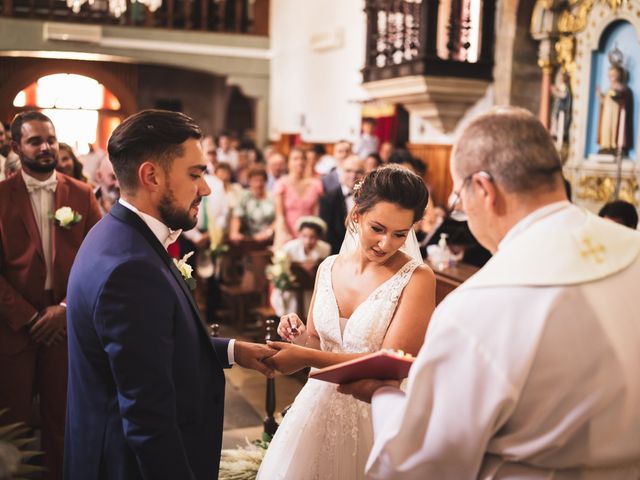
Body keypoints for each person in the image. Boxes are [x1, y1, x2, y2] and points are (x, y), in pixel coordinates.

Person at [339, 107, 640, 479]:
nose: (463, 209)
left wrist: (383, 394)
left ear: (483, 188)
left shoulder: (480, 304)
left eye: (460, 197)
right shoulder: (633, 247)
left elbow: (416, 465)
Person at [64, 110, 276, 480]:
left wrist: (234, 351)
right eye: (195, 174)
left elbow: (152, 344)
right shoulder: (129, 269)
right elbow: (148, 418)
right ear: (151, 176)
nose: (206, 189)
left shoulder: (117, 234)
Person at [257, 165, 436, 480]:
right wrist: (296, 336)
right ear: (357, 214)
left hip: (374, 416)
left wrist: (306, 356)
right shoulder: (328, 267)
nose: (387, 243)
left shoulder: (417, 278)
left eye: (400, 234)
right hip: (315, 408)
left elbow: (389, 365)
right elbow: (315, 340)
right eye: (378, 228)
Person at [0, 111, 102, 480]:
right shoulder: (0, 195)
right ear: (16, 146)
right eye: (35, 141)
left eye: (50, 140)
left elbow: (99, 258)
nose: (46, 147)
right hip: (14, 327)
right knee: (10, 425)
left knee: (63, 420)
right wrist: (28, 316)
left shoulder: (81, 193)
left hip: (65, 326)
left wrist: (65, 308)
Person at [269, 216, 331, 317]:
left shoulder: (324, 248)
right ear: (299, 235)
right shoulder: (289, 248)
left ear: (319, 237)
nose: (308, 241)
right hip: (292, 290)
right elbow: (282, 270)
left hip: (312, 290)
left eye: (312, 237)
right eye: (304, 236)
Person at [273, 147, 323, 246]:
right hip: (286, 234)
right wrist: (286, 235)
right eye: (295, 159)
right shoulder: (281, 184)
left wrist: (310, 236)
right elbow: (280, 215)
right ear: (288, 162)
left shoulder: (316, 184)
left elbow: (316, 215)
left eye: (303, 158)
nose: (300, 162)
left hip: (309, 237)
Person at [320, 155, 366, 254]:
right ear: (341, 172)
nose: (353, 176)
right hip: (337, 254)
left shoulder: (370, 199)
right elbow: (326, 234)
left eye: (358, 172)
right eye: (348, 171)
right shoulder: (328, 199)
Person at [229, 165, 275, 244]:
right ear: (249, 181)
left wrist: (268, 232)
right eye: (255, 180)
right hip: (250, 239)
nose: (258, 184)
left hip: (271, 238)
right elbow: (237, 216)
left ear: (266, 181)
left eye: (261, 180)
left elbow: (279, 218)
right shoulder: (245, 196)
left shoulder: (272, 197)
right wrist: (234, 232)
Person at [596, 62, 633, 154]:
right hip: (607, 113)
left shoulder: (622, 88)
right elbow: (604, 101)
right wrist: (600, 96)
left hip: (616, 113)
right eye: (610, 75)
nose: (611, 77)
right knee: (606, 128)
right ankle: (606, 145)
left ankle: (614, 145)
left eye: (613, 74)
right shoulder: (609, 88)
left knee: (614, 128)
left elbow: (623, 101)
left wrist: (617, 96)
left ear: (619, 75)